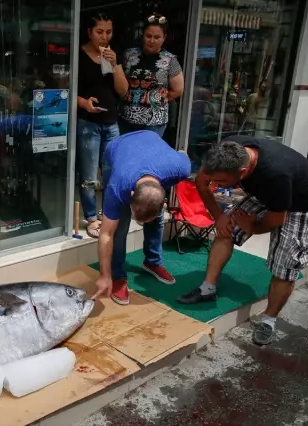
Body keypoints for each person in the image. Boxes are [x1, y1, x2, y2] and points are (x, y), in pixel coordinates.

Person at [178, 137, 308, 346]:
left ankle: (269, 320)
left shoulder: (275, 173)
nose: (215, 185)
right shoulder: (223, 154)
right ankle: (207, 290)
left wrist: (253, 227)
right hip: (267, 195)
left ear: (241, 173)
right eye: (214, 180)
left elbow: (277, 219)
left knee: (285, 265)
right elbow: (201, 182)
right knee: (225, 231)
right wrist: (218, 216)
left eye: (221, 182)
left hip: (302, 204)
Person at [93, 130, 191, 304]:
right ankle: (117, 276)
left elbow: (183, 154)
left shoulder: (180, 168)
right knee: (119, 228)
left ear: (164, 203)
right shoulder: (119, 185)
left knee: (156, 219)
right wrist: (104, 275)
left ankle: (152, 261)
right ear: (130, 195)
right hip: (117, 148)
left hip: (150, 138)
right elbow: (106, 234)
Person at [76, 11, 129, 239]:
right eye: (99, 31)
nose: (104, 36)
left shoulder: (111, 56)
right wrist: (83, 103)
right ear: (89, 32)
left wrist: (115, 64)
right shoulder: (79, 55)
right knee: (88, 174)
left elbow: (123, 90)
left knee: (111, 172)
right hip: (88, 122)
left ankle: (108, 212)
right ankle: (90, 217)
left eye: (108, 32)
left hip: (111, 123)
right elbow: (66, 90)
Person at [120, 13, 184, 137]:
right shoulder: (129, 55)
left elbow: (178, 90)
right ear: (142, 35)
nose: (152, 40)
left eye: (157, 37)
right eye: (148, 36)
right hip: (126, 120)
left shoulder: (170, 60)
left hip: (154, 123)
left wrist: (156, 99)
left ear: (164, 38)